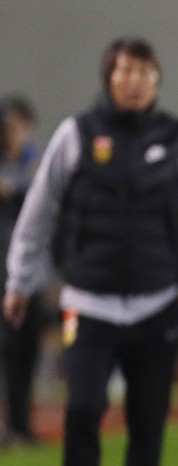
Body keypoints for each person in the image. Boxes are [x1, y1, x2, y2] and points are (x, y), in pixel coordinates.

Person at [4, 37, 178, 466]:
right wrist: (19, 280)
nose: (134, 79)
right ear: (109, 77)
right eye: (124, 70)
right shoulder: (75, 135)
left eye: (144, 70)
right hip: (89, 302)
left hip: (157, 305)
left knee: (147, 421)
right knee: (82, 408)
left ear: (157, 79)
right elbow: (40, 210)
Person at [0, 96, 44, 447]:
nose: (19, 135)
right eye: (13, 127)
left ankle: (20, 425)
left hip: (27, 276)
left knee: (25, 350)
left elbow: (47, 197)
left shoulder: (33, 164)